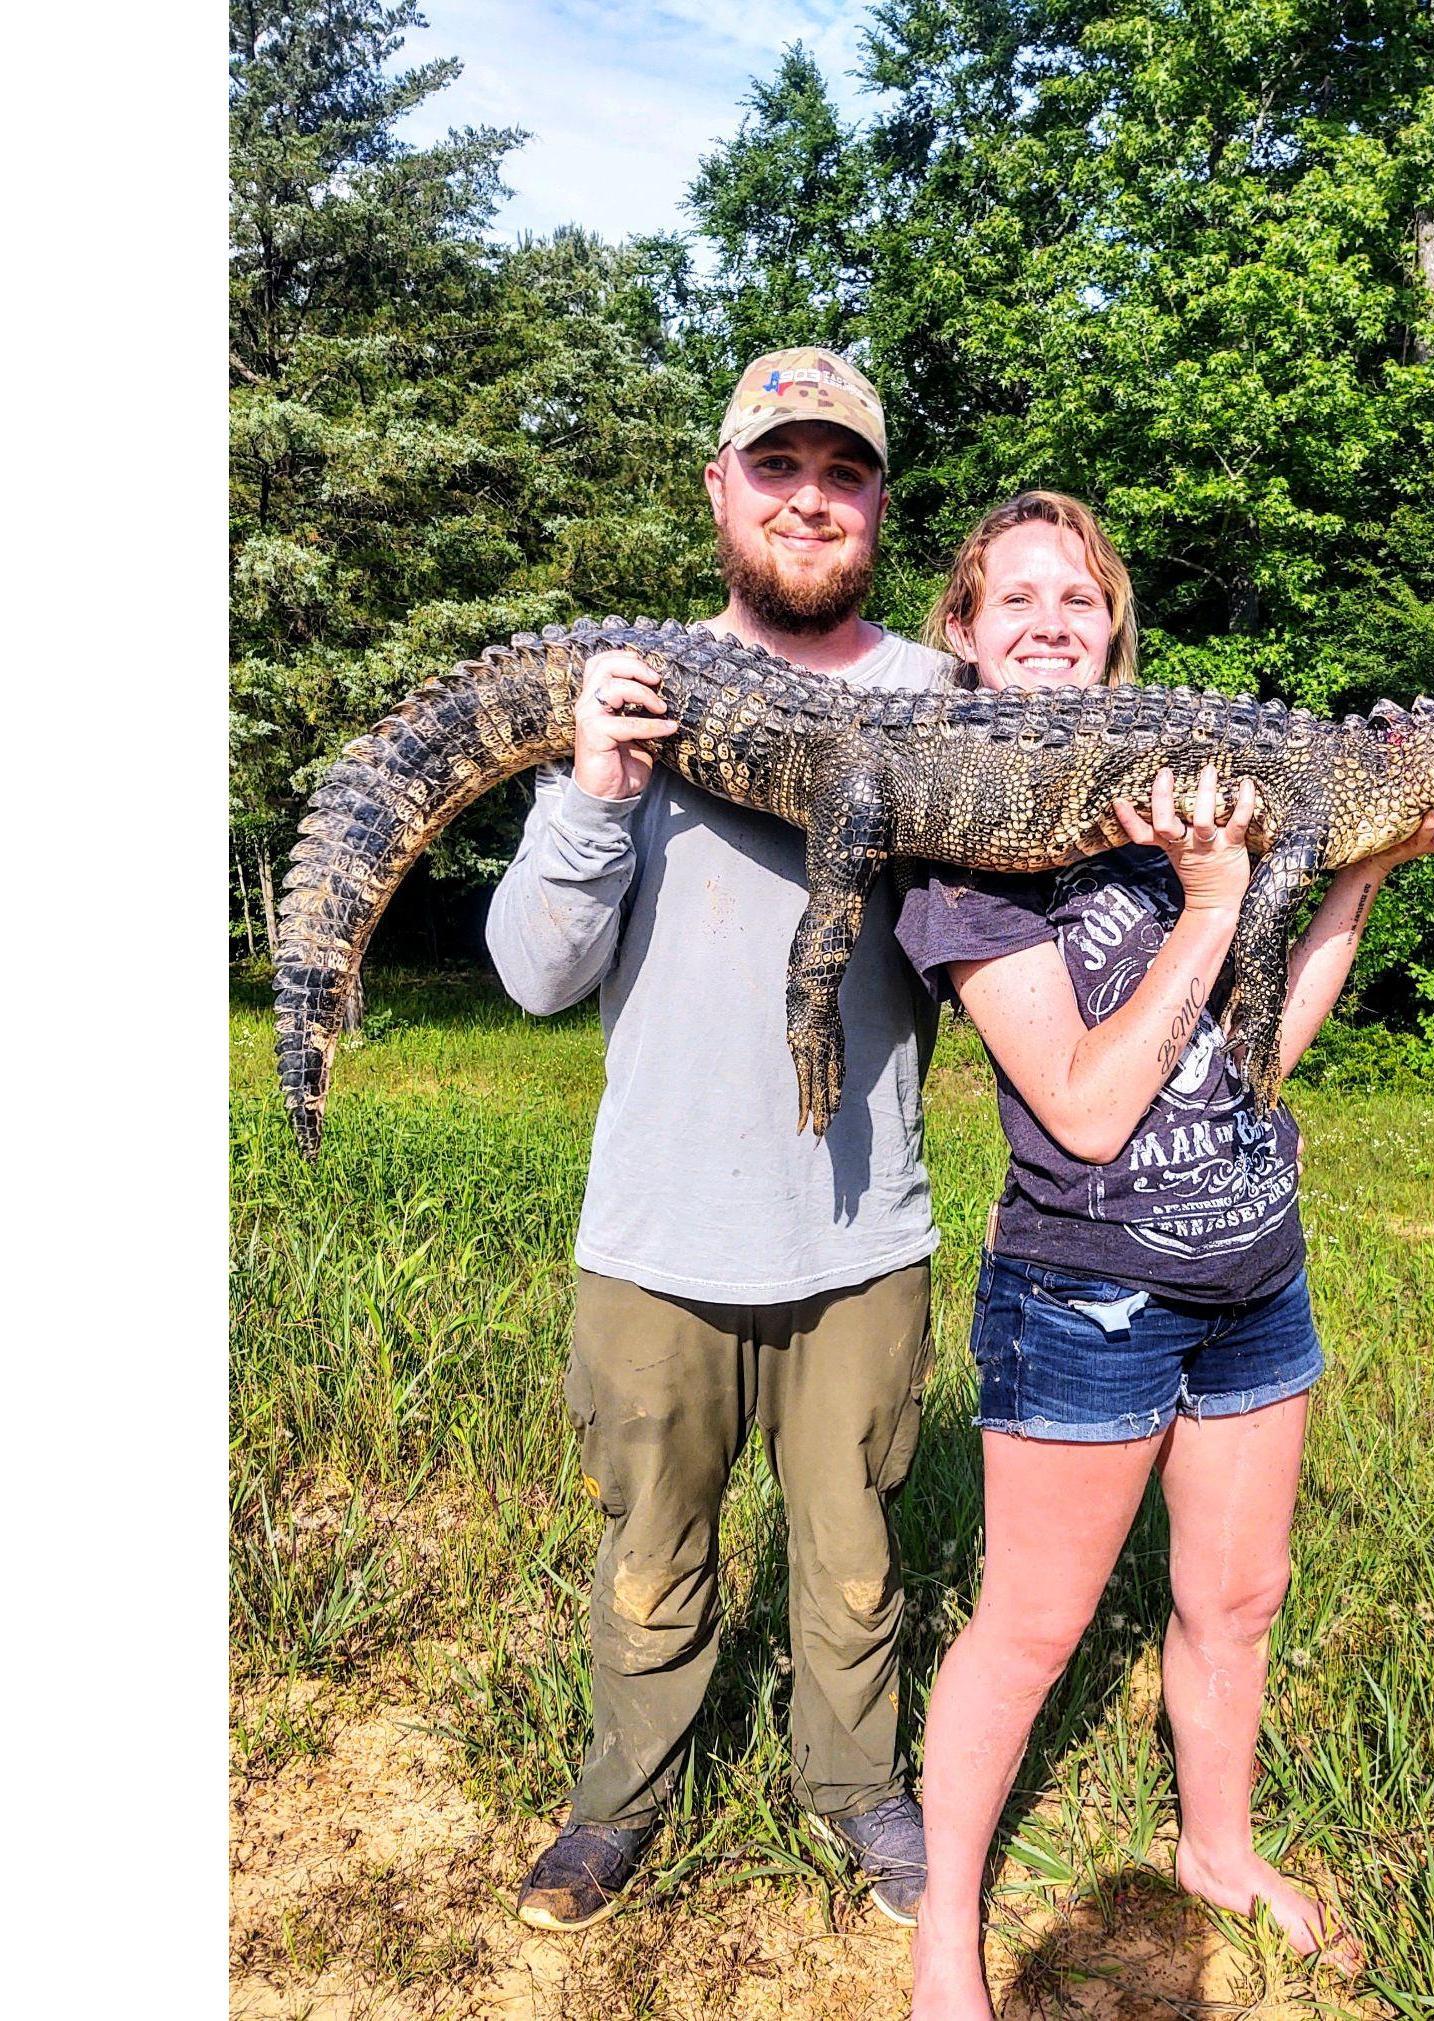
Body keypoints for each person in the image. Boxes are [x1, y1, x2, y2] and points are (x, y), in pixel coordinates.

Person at [893, 492, 1434, 2017]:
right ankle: (942, 1933)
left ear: (1114, 632)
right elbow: (1092, 1111)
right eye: (1016, 599)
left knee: (1237, 1596)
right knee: (1031, 1627)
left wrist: (1357, 874)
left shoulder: (1202, 797)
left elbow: (1261, 1062)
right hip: (1086, 1290)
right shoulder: (963, 847)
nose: (1052, 618)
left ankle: (1216, 1850)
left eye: (1080, 599)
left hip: (1254, 1274)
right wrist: (1218, 899)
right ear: (963, 639)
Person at [488, 348, 952, 1933]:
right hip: (658, 1230)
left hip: (858, 1227)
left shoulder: (947, 699)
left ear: (877, 501)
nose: (808, 496)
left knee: (850, 1558)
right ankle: (618, 1797)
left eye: (841, 470)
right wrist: (595, 786)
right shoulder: (632, 685)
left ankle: (861, 1791)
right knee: (650, 1550)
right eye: (779, 466)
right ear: (722, 487)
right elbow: (535, 978)